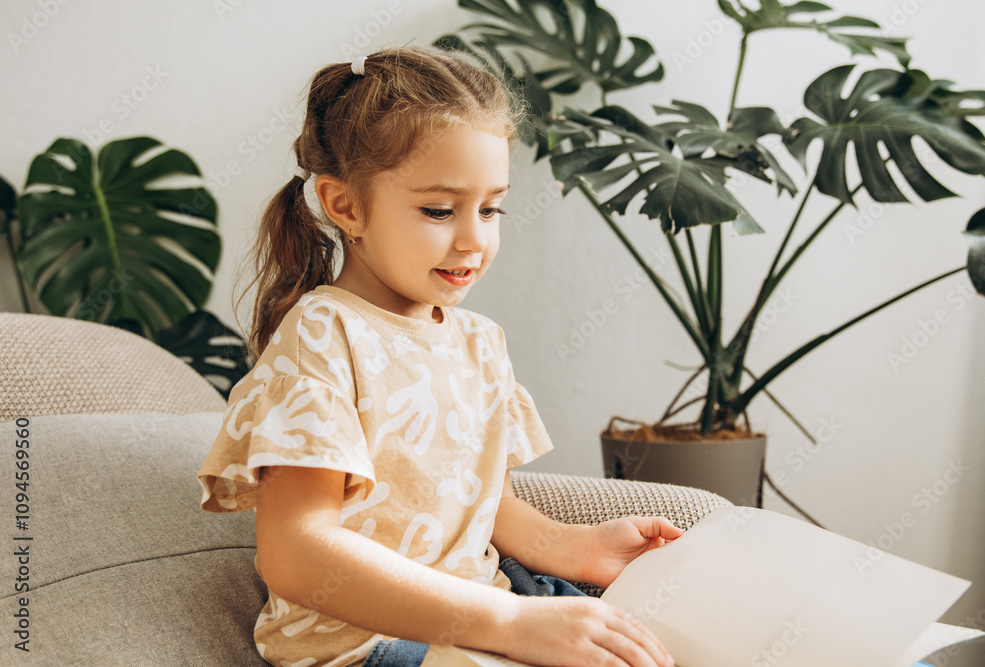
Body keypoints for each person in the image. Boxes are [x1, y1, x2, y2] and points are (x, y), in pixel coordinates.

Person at [196, 45, 683, 667]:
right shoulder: (323, 336)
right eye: (438, 210)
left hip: (485, 613)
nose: (474, 238)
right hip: (367, 643)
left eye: (490, 207)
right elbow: (297, 552)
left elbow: (483, 506)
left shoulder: (478, 340)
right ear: (346, 206)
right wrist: (510, 620)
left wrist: (577, 549)